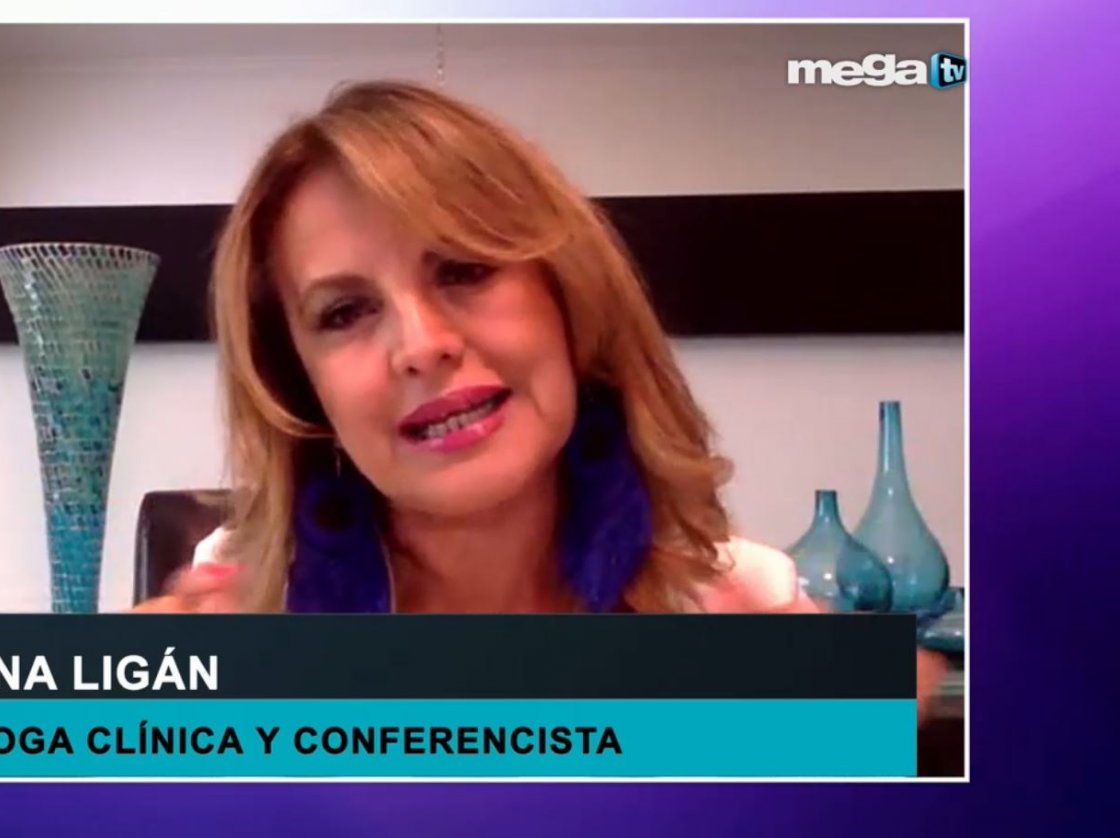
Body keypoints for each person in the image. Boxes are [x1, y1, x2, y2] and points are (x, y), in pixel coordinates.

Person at [133, 80, 946, 714]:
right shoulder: (235, 620)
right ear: (301, 386)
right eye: (345, 313)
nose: (420, 344)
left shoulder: (737, 607)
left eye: (464, 268)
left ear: (569, 299)